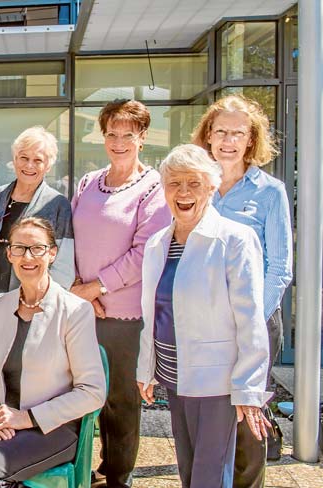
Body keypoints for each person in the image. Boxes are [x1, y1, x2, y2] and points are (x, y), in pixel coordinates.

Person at [0, 217, 106, 487]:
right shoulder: (0, 306)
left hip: (52, 427)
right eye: (19, 248)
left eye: (37, 248)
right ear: (9, 254)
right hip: (3, 416)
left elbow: (92, 392)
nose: (28, 257)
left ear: (52, 253)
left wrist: (27, 418)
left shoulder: (74, 311)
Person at [137, 144, 272, 488]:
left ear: (212, 187)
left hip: (216, 382)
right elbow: (153, 313)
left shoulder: (235, 240)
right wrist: (146, 369)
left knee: (209, 475)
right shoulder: (157, 243)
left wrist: (248, 388)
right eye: (174, 183)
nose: (183, 192)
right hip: (175, 375)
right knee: (189, 468)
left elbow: (251, 319)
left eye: (194, 183)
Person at [191, 95, 293, 486]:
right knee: (211, 412)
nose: (228, 141)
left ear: (251, 139)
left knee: (249, 411)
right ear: (209, 136)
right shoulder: (198, 186)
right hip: (204, 321)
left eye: (238, 133)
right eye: (221, 132)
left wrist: (250, 319)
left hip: (255, 321)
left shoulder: (270, 192)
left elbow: (280, 268)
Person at [69, 99, 171, 488]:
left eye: (128, 134)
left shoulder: (153, 188)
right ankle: (83, 467)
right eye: (112, 133)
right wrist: (81, 292)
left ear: (142, 138)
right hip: (83, 311)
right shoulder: (87, 182)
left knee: (121, 404)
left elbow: (144, 252)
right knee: (81, 395)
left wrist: (95, 288)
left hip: (124, 317)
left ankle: (117, 476)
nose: (118, 141)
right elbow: (73, 240)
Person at [0, 126, 74, 334]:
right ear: (14, 158)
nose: (29, 165)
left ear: (48, 165)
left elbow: (64, 266)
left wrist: (41, 302)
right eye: (23, 157)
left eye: (38, 160)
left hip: (32, 303)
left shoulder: (58, 204)